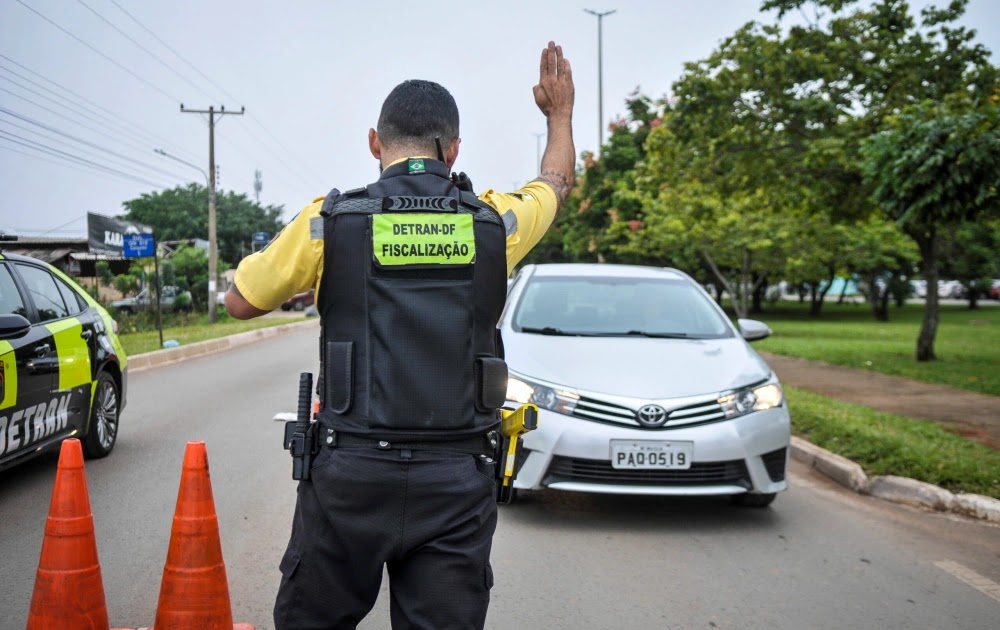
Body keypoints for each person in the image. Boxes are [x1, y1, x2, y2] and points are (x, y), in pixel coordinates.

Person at [225, 41, 575, 630]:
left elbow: (239, 302)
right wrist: (558, 116)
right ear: (455, 148)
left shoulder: (327, 222)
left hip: (350, 476)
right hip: (457, 481)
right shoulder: (497, 222)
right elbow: (556, 182)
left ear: (374, 143)